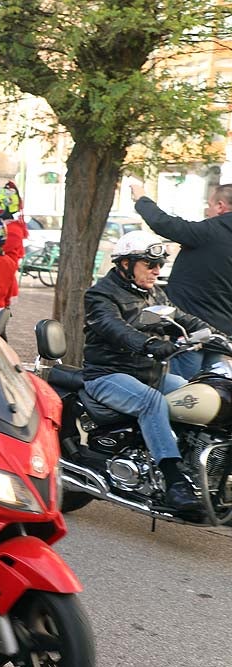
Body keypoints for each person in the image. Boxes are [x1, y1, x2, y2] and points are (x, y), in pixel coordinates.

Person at [83, 230, 214, 513]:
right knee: (151, 402)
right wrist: (151, 345)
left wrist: (211, 334)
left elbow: (178, 317)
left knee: (197, 392)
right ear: (126, 263)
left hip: (149, 373)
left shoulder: (153, 292)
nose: (156, 271)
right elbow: (115, 329)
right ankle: (174, 482)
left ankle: (202, 469)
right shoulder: (100, 295)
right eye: (149, 264)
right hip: (107, 374)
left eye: (159, 266)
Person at [131, 182, 232, 378]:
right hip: (223, 334)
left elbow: (164, 223)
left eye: (209, 205)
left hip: (192, 331)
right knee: (212, 391)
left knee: (184, 395)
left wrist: (141, 199)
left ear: (220, 206)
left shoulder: (210, 231)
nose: (207, 211)